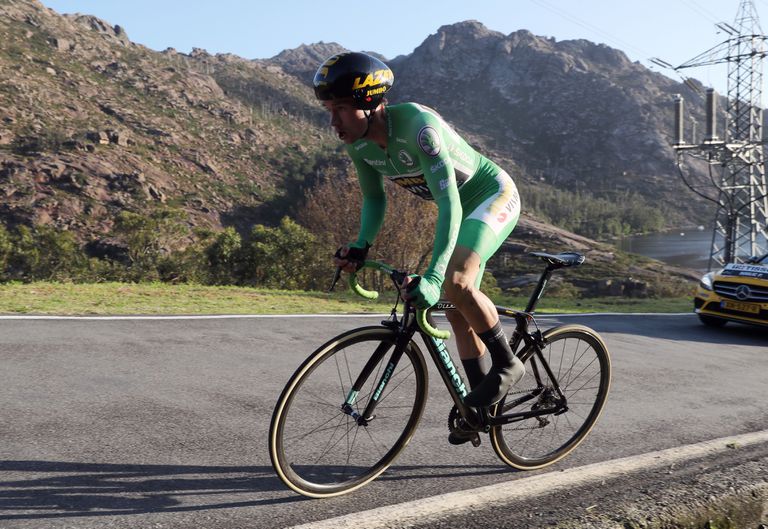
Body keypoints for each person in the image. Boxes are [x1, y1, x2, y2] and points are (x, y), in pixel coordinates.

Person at [314, 52, 525, 444]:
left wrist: (432, 274)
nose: (333, 122)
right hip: (461, 206)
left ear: (367, 102)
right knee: (458, 311)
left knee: (455, 282)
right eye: (329, 110)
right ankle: (480, 407)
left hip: (489, 196)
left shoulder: (418, 128)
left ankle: (508, 362)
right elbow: (375, 201)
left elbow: (451, 205)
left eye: (340, 109)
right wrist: (360, 246)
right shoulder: (359, 146)